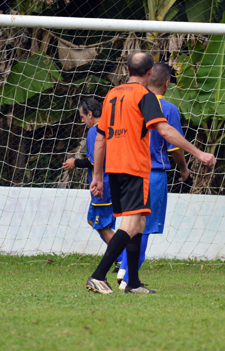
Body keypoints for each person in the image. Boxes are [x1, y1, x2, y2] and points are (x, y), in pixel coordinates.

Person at [86, 51, 216, 295]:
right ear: (149, 73)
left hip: (114, 169)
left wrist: (96, 176)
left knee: (140, 222)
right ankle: (98, 275)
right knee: (133, 223)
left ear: (127, 71)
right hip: (134, 168)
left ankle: (133, 282)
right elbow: (165, 131)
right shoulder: (145, 96)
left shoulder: (112, 94)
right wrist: (199, 153)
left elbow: (101, 139)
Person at [117, 63, 190, 290]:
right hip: (152, 173)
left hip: (125, 170)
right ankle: (129, 278)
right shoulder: (168, 109)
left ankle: (122, 268)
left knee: (129, 222)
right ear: (167, 83)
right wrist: (184, 168)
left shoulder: (130, 102)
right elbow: (174, 147)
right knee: (144, 226)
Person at [63, 98, 121, 271]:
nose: (82, 121)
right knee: (93, 221)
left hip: (103, 185)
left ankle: (123, 257)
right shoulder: (111, 128)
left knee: (102, 226)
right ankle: (121, 256)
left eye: (82, 117)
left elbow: (94, 160)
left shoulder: (95, 131)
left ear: (90, 114)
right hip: (112, 183)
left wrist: (75, 163)